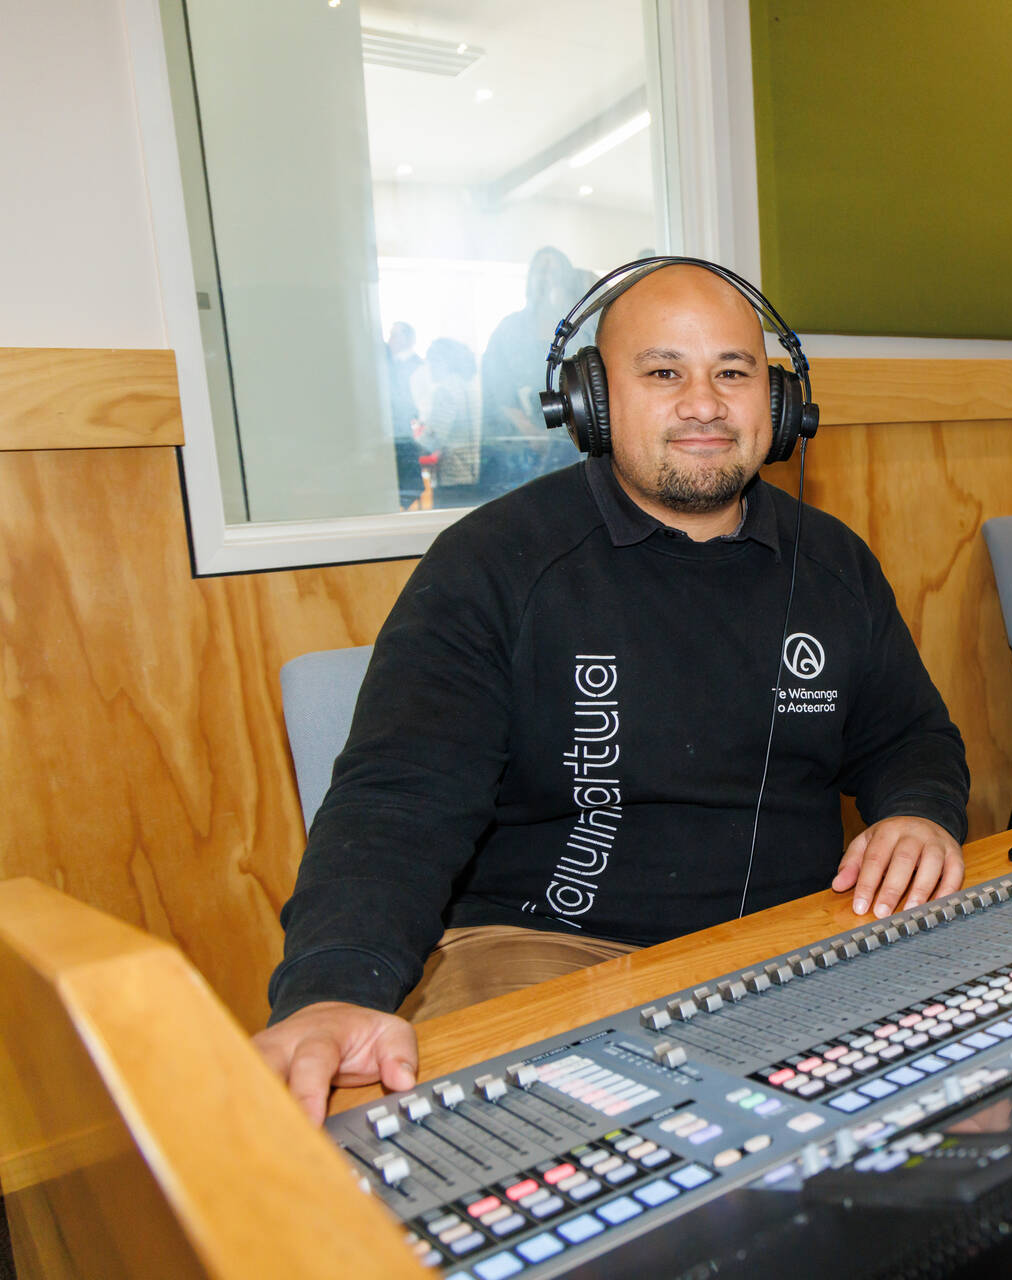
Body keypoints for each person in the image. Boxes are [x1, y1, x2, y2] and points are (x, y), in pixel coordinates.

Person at [254, 262, 970, 1121]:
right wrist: (333, 985)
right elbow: (399, 796)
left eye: (732, 372)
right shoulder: (492, 562)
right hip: (546, 950)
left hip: (794, 941)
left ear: (779, 404)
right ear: (590, 400)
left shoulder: (835, 562)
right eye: (664, 372)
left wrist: (919, 811)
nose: (704, 404)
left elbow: (910, 736)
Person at [478, 246, 577, 499]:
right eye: (541, 270)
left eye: (553, 271)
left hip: (574, 451)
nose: (546, 278)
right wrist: (531, 433)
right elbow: (497, 390)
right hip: (519, 454)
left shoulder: (582, 329)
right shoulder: (509, 329)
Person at [414, 337, 481, 507]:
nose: (429, 369)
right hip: (473, 473)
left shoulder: (445, 390)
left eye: (431, 362)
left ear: (443, 362)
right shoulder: (471, 385)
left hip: (453, 477)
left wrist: (408, 448)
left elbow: (433, 439)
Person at [384, 322, 424, 510]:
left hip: (405, 432)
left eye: (395, 335)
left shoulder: (417, 366)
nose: (390, 340)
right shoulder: (386, 364)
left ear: (409, 339)